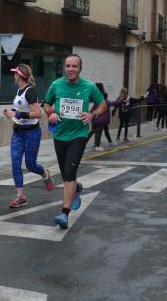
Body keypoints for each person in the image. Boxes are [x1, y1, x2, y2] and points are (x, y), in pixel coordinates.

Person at [43, 54, 107, 229]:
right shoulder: (56, 85)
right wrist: (51, 114)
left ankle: (64, 213)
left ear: (80, 69)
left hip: (79, 134)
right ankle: (76, 187)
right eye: (68, 66)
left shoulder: (89, 86)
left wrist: (92, 114)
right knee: (65, 175)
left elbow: (102, 105)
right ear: (65, 67)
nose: (71, 69)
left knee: (70, 172)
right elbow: (46, 104)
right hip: (59, 135)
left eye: (74, 66)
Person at [3, 64, 54, 208]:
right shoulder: (19, 90)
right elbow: (21, 109)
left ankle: (44, 173)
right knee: (15, 163)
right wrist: (11, 112)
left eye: (14, 73)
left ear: (19, 75)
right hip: (18, 132)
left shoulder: (30, 91)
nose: (13, 75)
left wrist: (17, 114)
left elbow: (38, 113)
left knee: (30, 165)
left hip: (32, 133)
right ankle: (21, 196)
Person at [87, 82, 113, 151]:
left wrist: (91, 114)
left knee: (93, 130)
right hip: (99, 118)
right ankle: (96, 145)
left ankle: (86, 142)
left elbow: (94, 107)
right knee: (98, 131)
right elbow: (106, 104)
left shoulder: (97, 95)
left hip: (97, 117)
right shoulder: (100, 96)